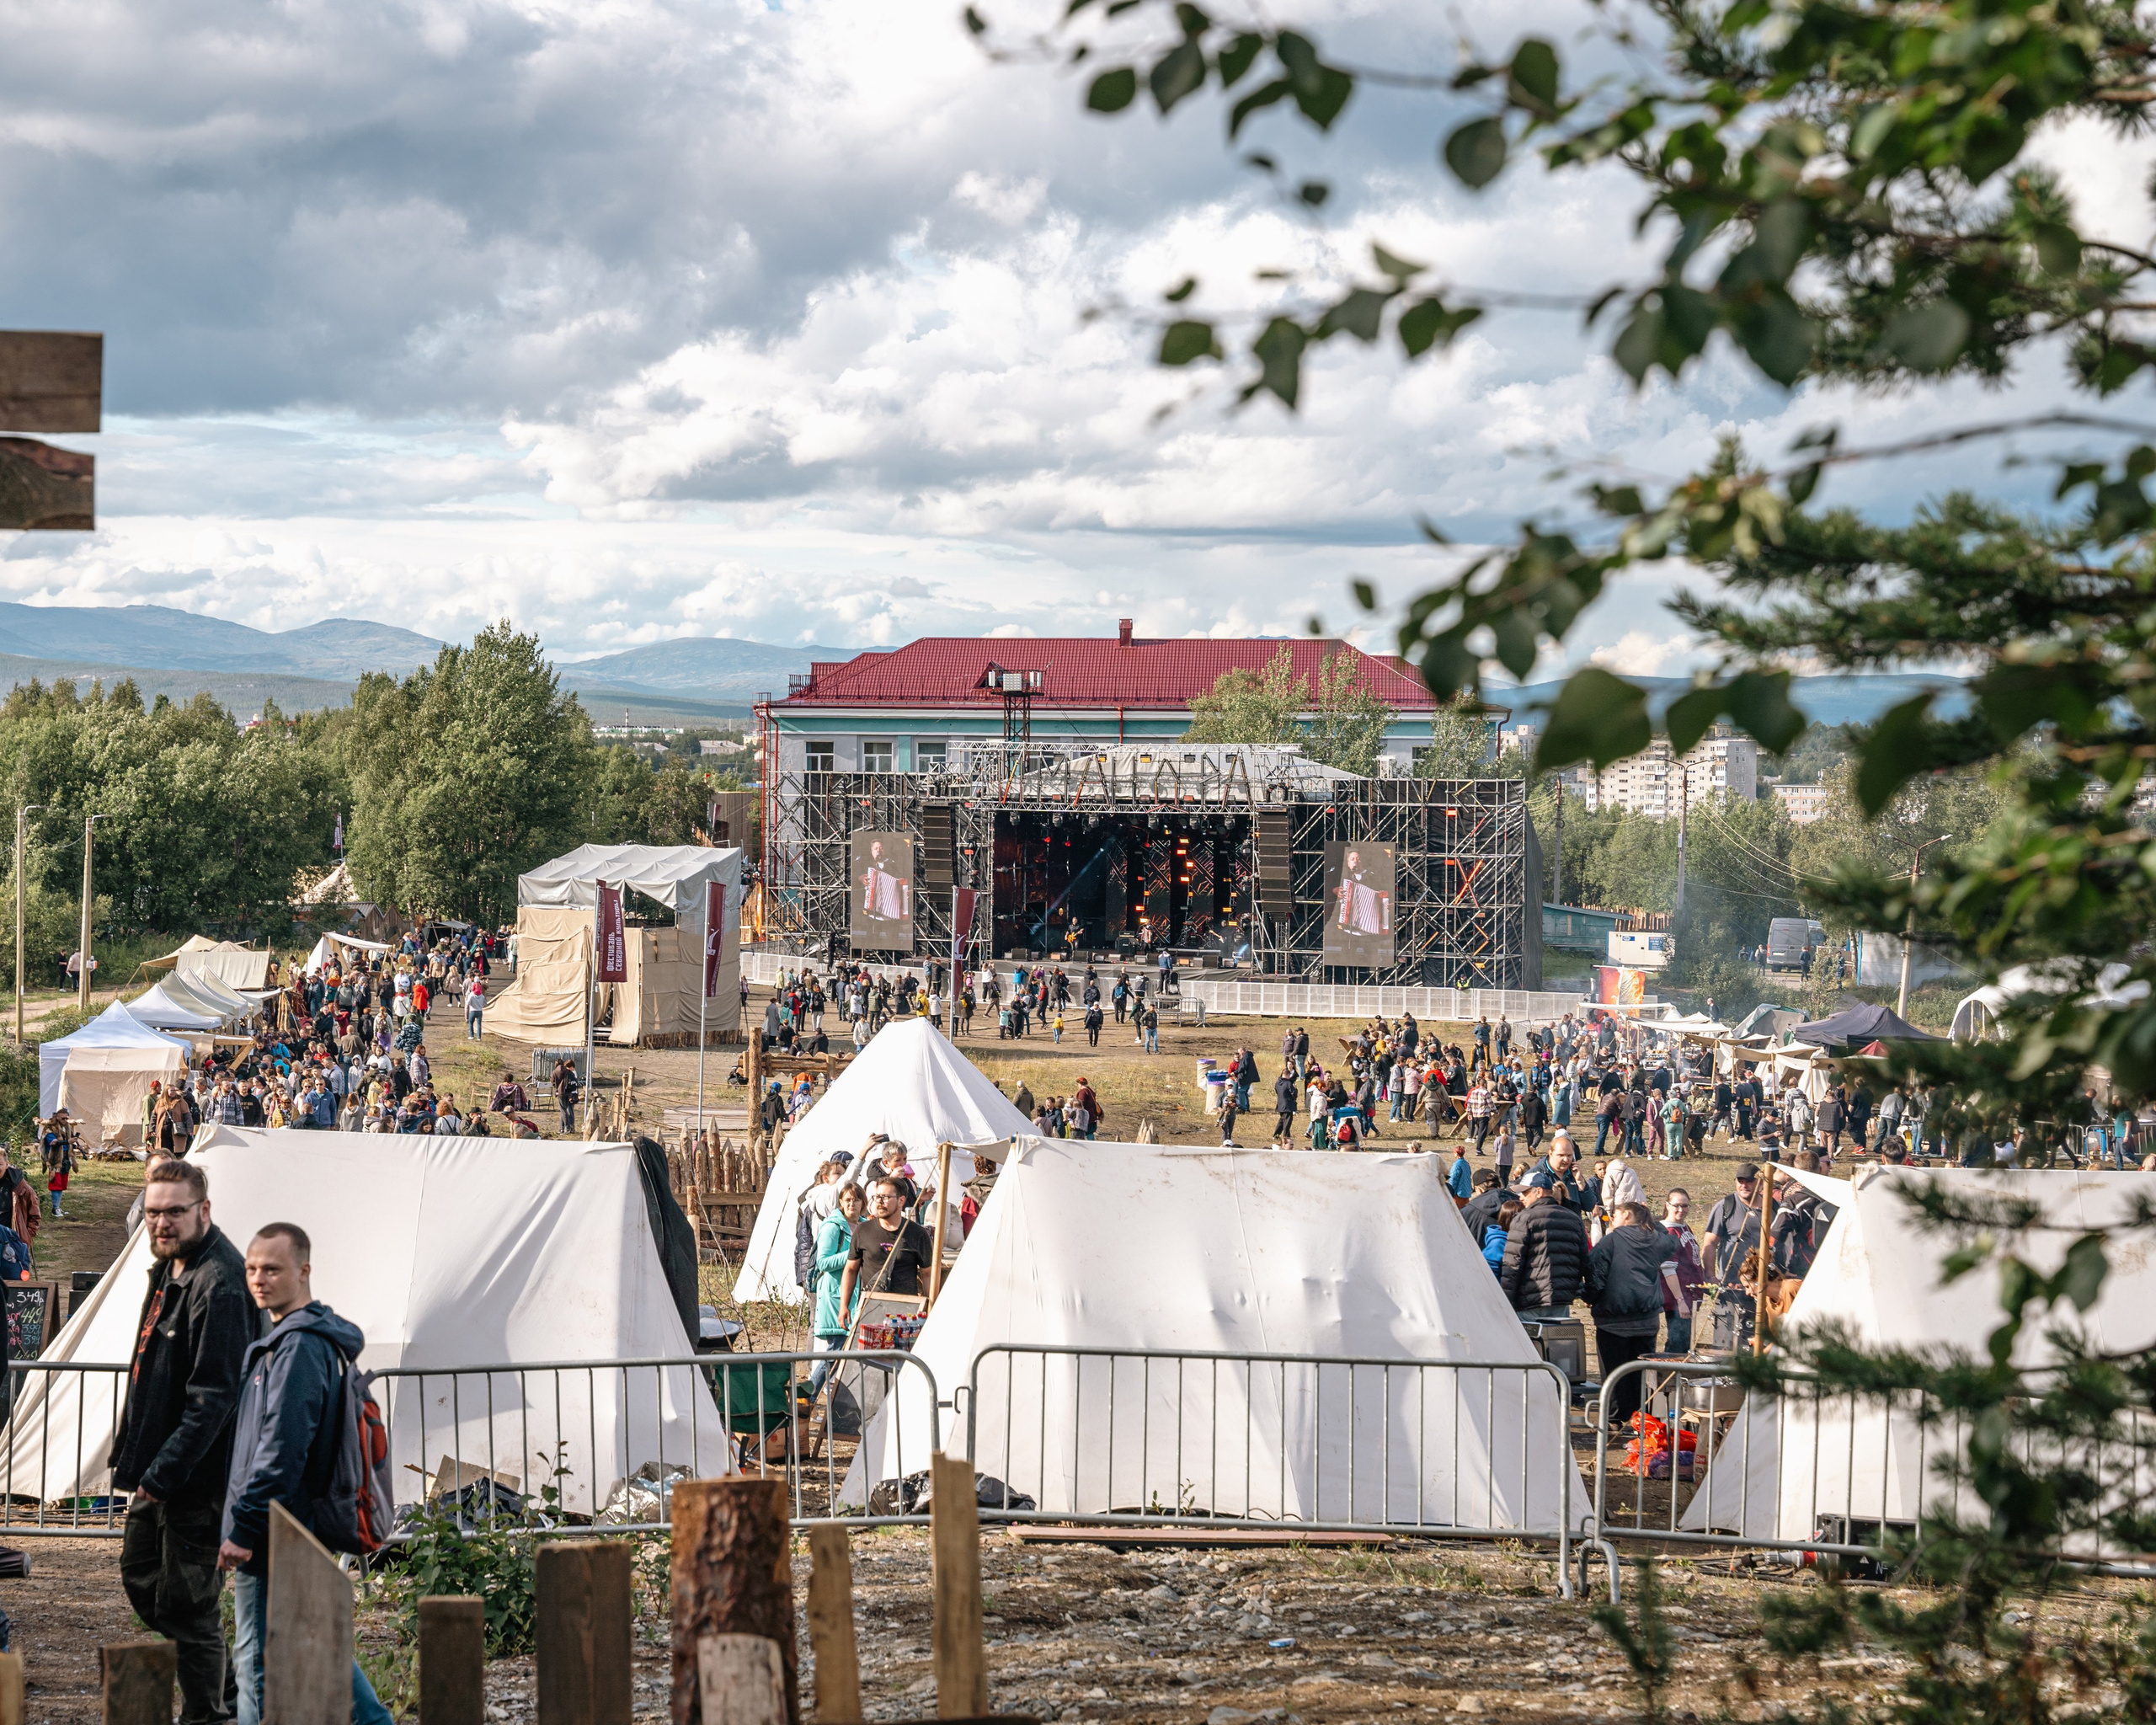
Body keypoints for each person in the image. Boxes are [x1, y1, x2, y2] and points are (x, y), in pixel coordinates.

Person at [216, 1223, 393, 1725]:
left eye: (272, 1269)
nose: (259, 1279)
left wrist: (244, 1527)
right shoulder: (296, 1340)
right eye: (251, 1269)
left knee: (256, 1658)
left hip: (280, 1527)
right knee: (310, 1636)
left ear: (304, 1271)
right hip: (287, 1524)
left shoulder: (299, 1348)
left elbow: (279, 1450)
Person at [115, 1159, 253, 1725]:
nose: (162, 1223)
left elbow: (213, 1400)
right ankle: (229, 1696)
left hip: (198, 1479)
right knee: (144, 1579)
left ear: (204, 1210)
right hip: (163, 1469)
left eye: (174, 1211)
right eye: (153, 1212)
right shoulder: (171, 1269)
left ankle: (210, 1714)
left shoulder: (218, 1281)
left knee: (187, 1603)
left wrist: (161, 1475)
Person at [1586, 1202, 1682, 1423]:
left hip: (1613, 1321)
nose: (1613, 1219)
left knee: (1615, 1375)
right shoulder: (1655, 1239)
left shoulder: (1612, 1240)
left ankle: (1616, 1420)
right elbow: (1671, 1241)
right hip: (1646, 1321)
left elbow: (1595, 1276)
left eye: (1615, 1215)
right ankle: (1641, 1421)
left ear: (1626, 1215)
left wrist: (1590, 1298)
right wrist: (1651, 1222)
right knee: (1642, 1376)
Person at [838, 1178, 936, 1311]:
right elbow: (850, 1269)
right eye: (877, 1197)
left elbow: (928, 1274)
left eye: (885, 1197)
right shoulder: (863, 1230)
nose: (879, 1202)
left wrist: (929, 1309)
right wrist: (844, 1307)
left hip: (904, 1313)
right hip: (871, 1310)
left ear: (901, 1200)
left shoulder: (917, 1233)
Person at [1498, 1183, 1589, 1325]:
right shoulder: (1573, 1218)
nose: (1521, 1197)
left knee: (1530, 1344)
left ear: (1538, 1191)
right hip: (1561, 1299)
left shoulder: (1524, 1218)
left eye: (1525, 1193)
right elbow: (1584, 1260)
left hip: (1530, 1300)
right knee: (1558, 1343)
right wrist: (1586, 1293)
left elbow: (1513, 1264)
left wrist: (1506, 1301)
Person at [808, 1183, 867, 1400]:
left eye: (856, 1200)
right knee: (836, 1350)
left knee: (843, 1352)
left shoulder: (865, 1226)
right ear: (841, 1202)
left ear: (863, 1203)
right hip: (835, 1294)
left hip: (856, 1294)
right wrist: (853, 1256)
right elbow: (823, 1262)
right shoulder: (833, 1226)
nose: (852, 1204)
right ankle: (808, 1397)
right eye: (848, 1200)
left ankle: (822, 1400)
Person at [1658, 1190, 1706, 1354]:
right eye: (1676, 1206)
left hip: (1689, 1295)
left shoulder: (1684, 1227)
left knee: (1684, 1340)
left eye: (1685, 1206)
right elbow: (1668, 1269)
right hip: (1677, 1298)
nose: (1681, 1210)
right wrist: (1680, 1301)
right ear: (1667, 1205)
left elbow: (1693, 1259)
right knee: (1678, 1340)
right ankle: (1667, 1375)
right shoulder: (1668, 1232)